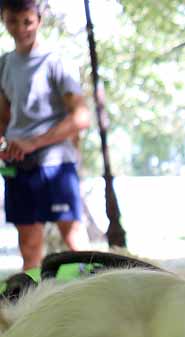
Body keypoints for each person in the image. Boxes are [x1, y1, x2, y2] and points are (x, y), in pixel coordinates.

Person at [0, 0, 90, 272]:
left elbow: (81, 117)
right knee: (29, 250)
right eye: (12, 21)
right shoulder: (4, 64)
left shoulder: (55, 62)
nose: (20, 29)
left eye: (27, 21)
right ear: (4, 20)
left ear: (38, 19)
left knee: (75, 242)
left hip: (55, 166)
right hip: (18, 168)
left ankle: (99, 300)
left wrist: (33, 142)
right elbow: (3, 119)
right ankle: (35, 308)